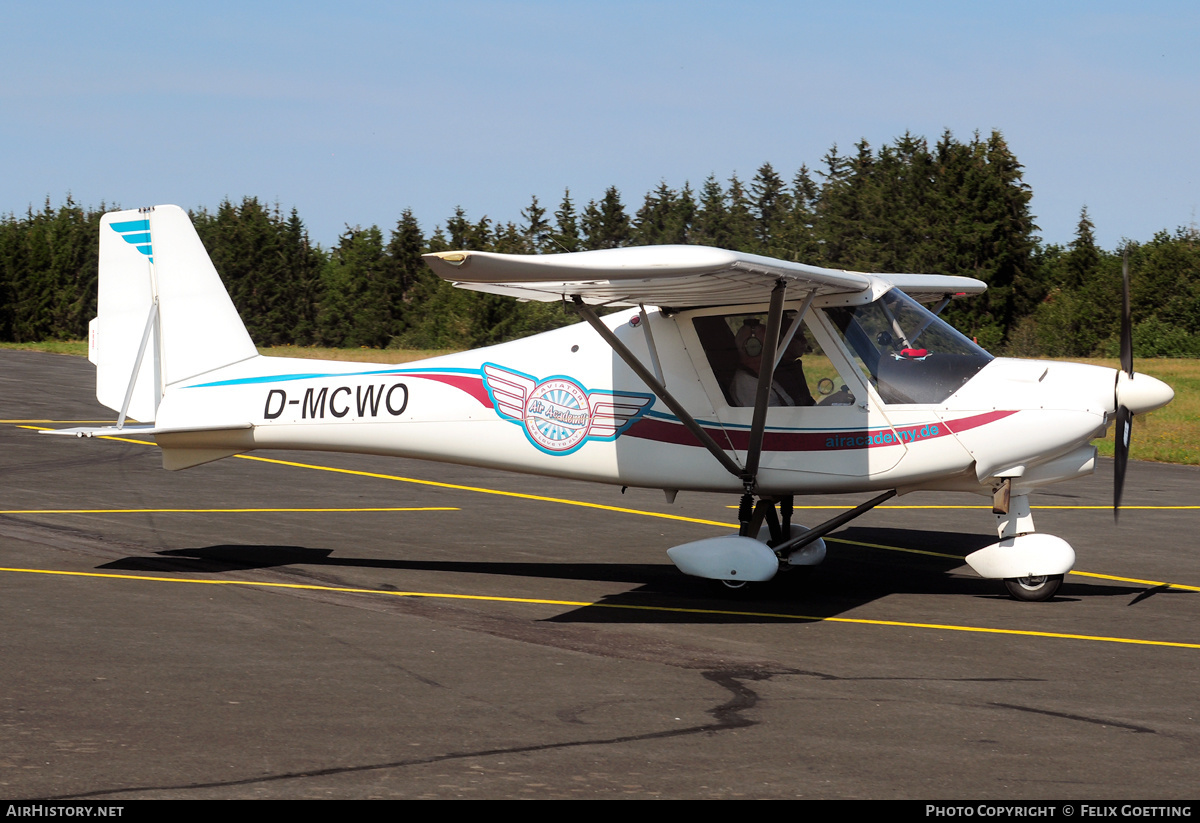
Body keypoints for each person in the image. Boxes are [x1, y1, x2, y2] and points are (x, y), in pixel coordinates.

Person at [730, 320, 814, 407]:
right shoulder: (747, 384)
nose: (777, 350)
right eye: (771, 345)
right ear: (753, 349)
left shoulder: (763, 376)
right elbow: (774, 418)